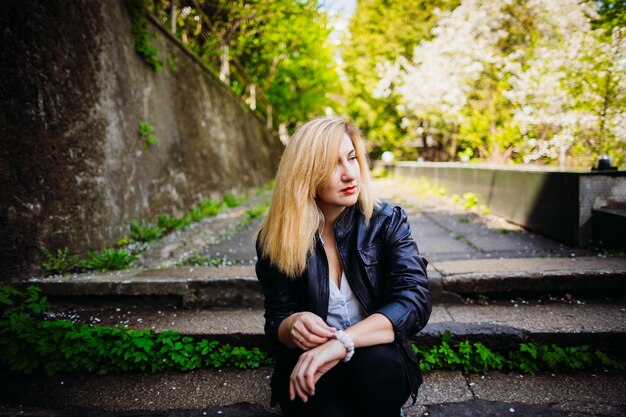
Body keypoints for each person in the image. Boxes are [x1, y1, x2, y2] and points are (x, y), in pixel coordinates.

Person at [255, 116, 431, 417]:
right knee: (310, 397)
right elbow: (277, 320)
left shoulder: (386, 221)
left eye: (351, 158)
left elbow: (413, 300)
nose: (350, 174)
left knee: (376, 367)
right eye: (331, 164)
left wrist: (342, 342)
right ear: (304, 173)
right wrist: (291, 324)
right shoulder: (276, 237)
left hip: (376, 354)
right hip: (314, 360)